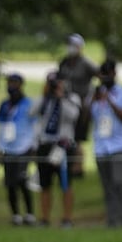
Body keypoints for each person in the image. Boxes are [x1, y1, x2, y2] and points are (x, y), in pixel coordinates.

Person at [91, 59, 122, 228]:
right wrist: (92, 99)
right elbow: (85, 119)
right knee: (107, 186)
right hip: (101, 147)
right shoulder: (96, 95)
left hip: (118, 146)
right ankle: (111, 220)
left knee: (119, 183)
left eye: (108, 73)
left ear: (114, 74)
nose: (105, 78)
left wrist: (109, 99)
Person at [31, 72, 81, 228]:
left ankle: (67, 218)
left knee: (65, 183)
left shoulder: (72, 99)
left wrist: (61, 98)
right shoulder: (44, 100)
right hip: (45, 144)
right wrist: (46, 94)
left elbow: (73, 116)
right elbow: (32, 112)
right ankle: (45, 218)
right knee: (44, 184)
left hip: (63, 145)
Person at [0, 73, 37, 226]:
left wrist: (33, 146)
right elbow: (0, 126)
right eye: (9, 83)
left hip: (24, 146)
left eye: (14, 83)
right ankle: (15, 215)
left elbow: (34, 125)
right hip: (8, 147)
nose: (11, 86)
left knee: (22, 180)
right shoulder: (4, 105)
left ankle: (29, 213)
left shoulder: (28, 104)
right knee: (10, 183)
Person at [57, 33, 99, 178]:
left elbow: (100, 76)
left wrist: (92, 98)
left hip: (82, 105)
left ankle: (78, 168)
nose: (70, 48)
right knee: (66, 135)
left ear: (80, 47)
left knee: (78, 137)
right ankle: (65, 164)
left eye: (74, 45)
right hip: (66, 104)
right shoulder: (64, 62)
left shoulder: (86, 63)